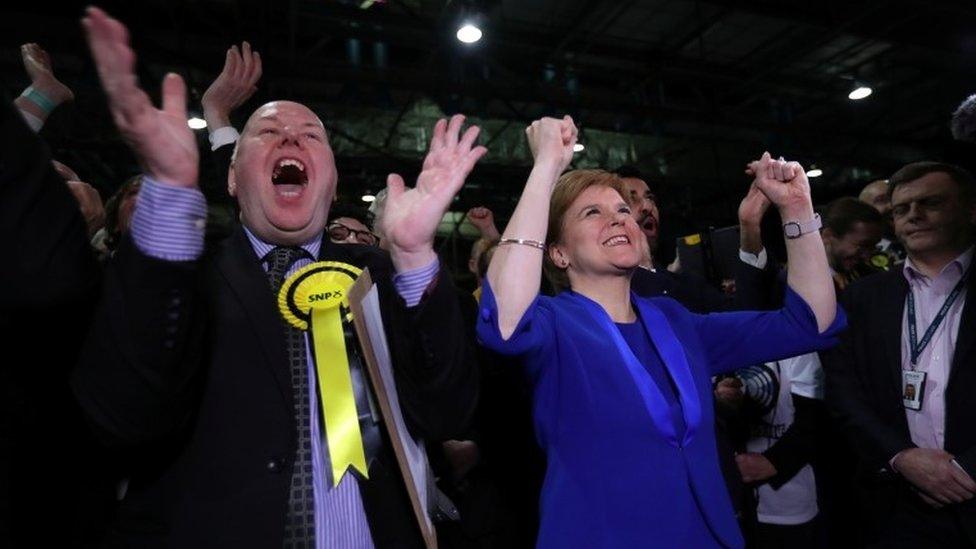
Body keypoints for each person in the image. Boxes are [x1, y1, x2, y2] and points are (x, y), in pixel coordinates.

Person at [72, 7, 480, 547]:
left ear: (331, 183)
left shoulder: (383, 273)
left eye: (312, 135)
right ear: (235, 179)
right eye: (267, 132)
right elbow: (124, 414)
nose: (291, 139)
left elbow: (450, 409)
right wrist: (168, 195)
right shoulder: (187, 276)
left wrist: (416, 256)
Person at [476, 116, 844, 547]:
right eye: (592, 212)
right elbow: (502, 320)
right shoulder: (553, 326)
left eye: (623, 211)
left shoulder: (674, 320)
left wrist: (797, 211)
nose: (618, 220)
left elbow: (810, 323)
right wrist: (545, 169)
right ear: (557, 252)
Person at [822, 160, 976, 547]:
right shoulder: (864, 297)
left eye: (931, 203)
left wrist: (960, 471)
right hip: (895, 504)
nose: (914, 216)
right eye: (901, 209)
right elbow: (844, 391)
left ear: (970, 209)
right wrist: (901, 457)